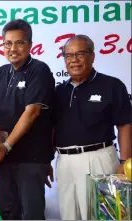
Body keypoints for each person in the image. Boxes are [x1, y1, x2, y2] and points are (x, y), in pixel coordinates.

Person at [0, 19, 55, 220]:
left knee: (31, 214)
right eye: (7, 43)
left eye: (19, 43)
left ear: (30, 45)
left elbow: (32, 112)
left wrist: (6, 146)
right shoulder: (2, 72)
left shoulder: (39, 71)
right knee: (7, 212)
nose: (12, 48)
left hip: (30, 158)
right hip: (4, 157)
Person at [53, 34, 132, 220]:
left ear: (92, 56)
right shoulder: (58, 92)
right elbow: (52, 129)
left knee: (102, 216)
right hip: (64, 162)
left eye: (80, 54)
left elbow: (125, 124)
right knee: (69, 215)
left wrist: (124, 162)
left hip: (99, 159)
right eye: (69, 55)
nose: (74, 60)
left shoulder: (112, 85)